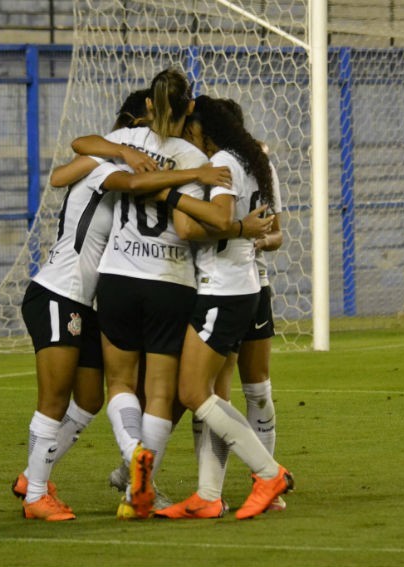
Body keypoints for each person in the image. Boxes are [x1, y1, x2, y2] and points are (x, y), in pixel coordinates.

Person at [12, 88, 233, 522]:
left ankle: (33, 475)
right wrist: (191, 175)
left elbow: (66, 168)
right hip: (58, 291)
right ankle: (41, 493)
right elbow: (100, 171)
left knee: (91, 398)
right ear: (136, 125)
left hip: (87, 301)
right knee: (54, 399)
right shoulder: (106, 165)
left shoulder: (111, 157)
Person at [71, 68, 238, 520]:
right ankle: (136, 493)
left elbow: (81, 145)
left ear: (148, 105)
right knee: (161, 393)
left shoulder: (125, 138)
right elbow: (190, 224)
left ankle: (133, 458)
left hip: (118, 277)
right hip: (169, 280)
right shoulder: (193, 156)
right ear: (189, 108)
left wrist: (124, 147)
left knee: (121, 384)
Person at [151, 96, 293, 521]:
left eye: (191, 130)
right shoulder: (250, 160)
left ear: (204, 129)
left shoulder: (226, 163)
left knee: (192, 392)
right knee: (211, 392)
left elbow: (221, 218)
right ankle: (209, 494)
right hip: (237, 286)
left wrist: (171, 196)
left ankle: (269, 473)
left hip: (224, 290)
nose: (189, 137)